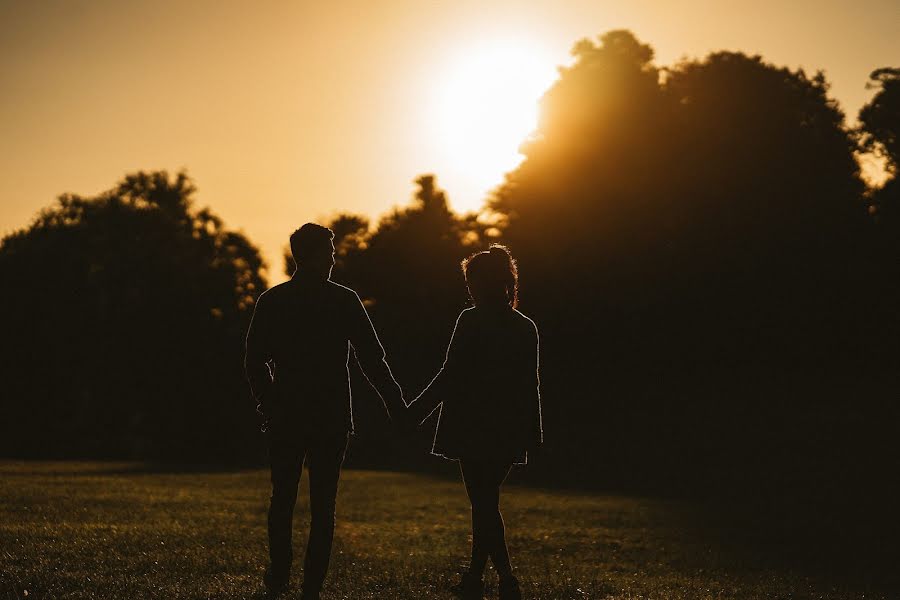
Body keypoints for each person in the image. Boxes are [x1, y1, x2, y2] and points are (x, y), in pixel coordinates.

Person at [244, 223, 406, 599]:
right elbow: (372, 359)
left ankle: (280, 575)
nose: (334, 257)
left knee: (281, 498)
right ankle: (311, 587)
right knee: (323, 506)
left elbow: (253, 361)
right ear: (316, 255)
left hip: (286, 415)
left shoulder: (273, 301)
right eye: (330, 251)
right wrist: (396, 405)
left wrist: (269, 402)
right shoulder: (344, 300)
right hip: (331, 417)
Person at [407, 244, 542, 600]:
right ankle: (475, 577)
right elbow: (531, 386)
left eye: (471, 281)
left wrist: (415, 411)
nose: (468, 289)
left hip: (472, 424)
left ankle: (506, 578)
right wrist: (533, 435)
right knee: (486, 501)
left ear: (484, 283)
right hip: (508, 427)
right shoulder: (526, 328)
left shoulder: (470, 320)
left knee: (482, 502)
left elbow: (449, 374)